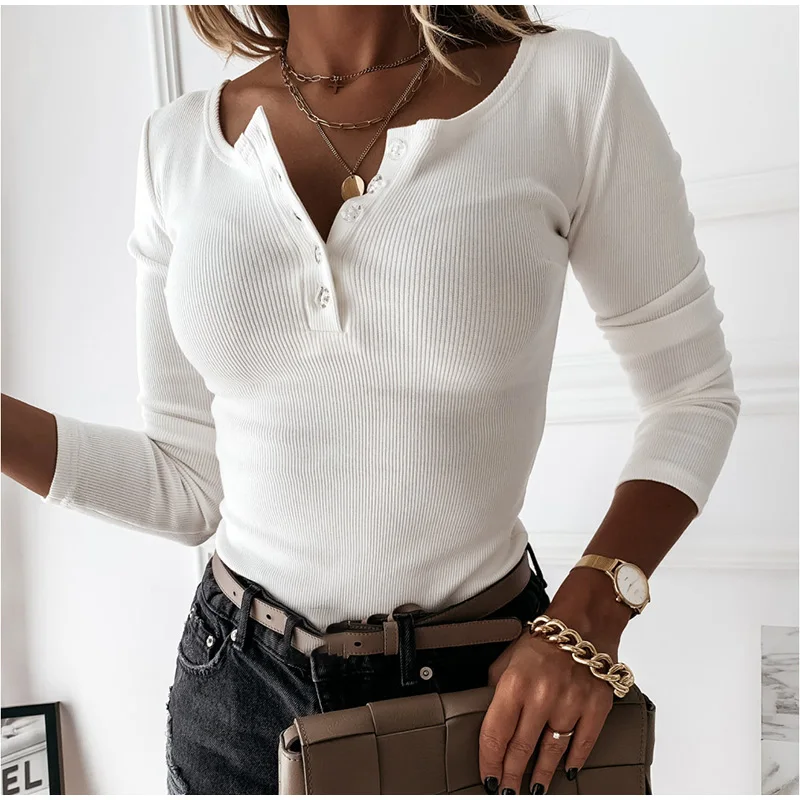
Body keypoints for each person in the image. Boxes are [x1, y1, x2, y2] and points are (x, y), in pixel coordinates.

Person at [1, 5, 740, 795]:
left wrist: (588, 618)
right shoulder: (177, 145)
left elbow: (691, 394)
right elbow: (184, 483)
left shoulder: (568, 89)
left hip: (485, 703)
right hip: (236, 698)